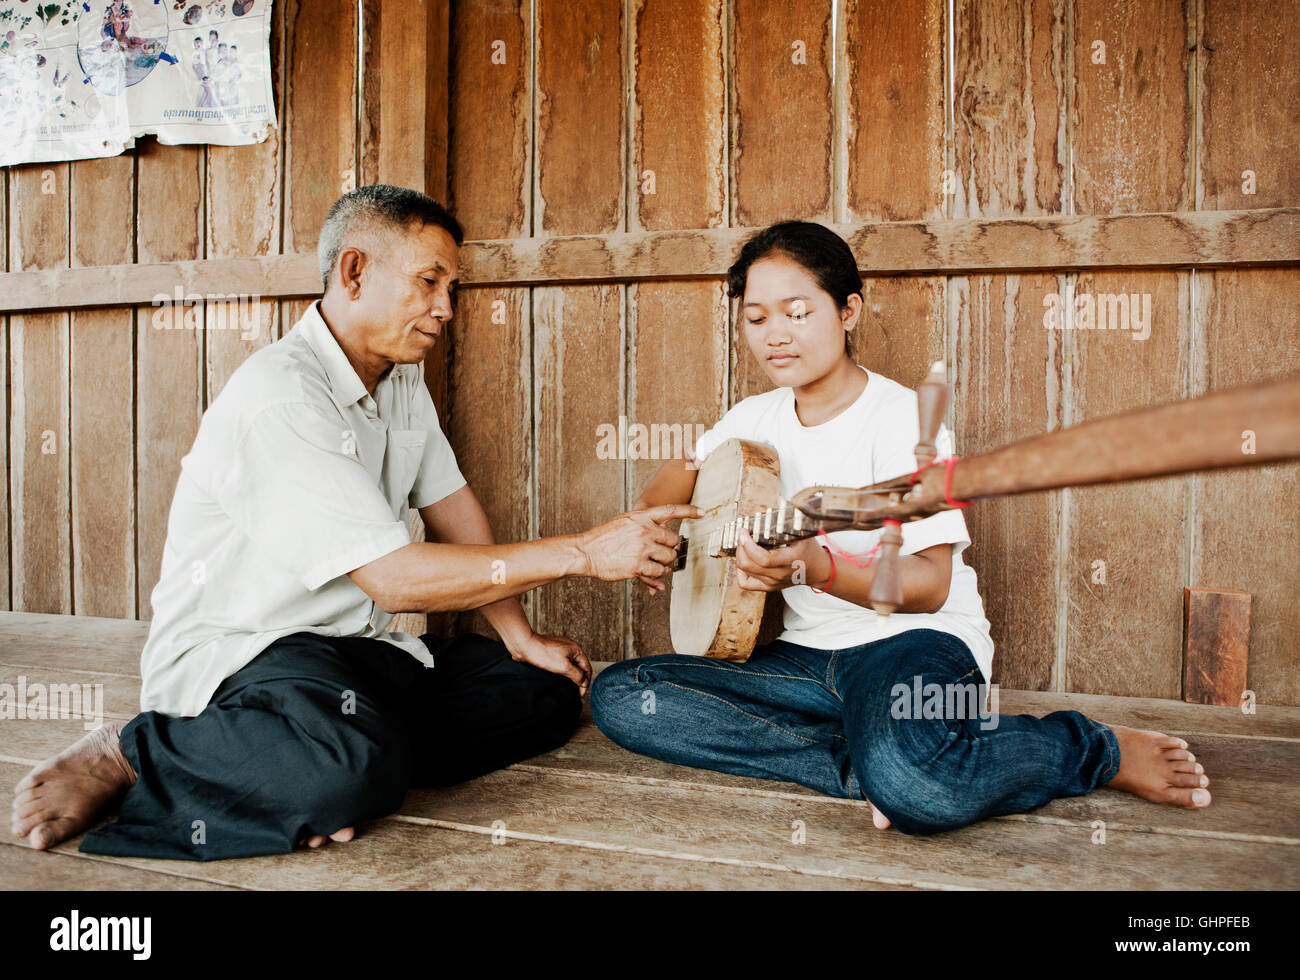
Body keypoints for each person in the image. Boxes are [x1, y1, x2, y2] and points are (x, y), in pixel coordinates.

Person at [10, 185, 696, 860]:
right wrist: (583, 551)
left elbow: (453, 509)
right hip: (251, 657)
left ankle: (299, 776)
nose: (445, 308)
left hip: (354, 656)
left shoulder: (400, 382)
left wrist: (520, 638)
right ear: (355, 271)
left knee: (542, 693)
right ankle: (136, 753)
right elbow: (394, 581)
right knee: (349, 762)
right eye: (429, 282)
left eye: (451, 289)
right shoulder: (281, 394)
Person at [590, 220, 1213, 835]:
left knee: (926, 790)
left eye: (797, 311)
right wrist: (654, 527)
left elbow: (929, 584)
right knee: (623, 694)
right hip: (807, 661)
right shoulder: (753, 417)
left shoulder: (902, 419)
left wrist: (818, 567)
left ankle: (1090, 748)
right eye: (756, 319)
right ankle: (876, 764)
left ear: (849, 311)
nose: (775, 334)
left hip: (915, 645)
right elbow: (683, 468)